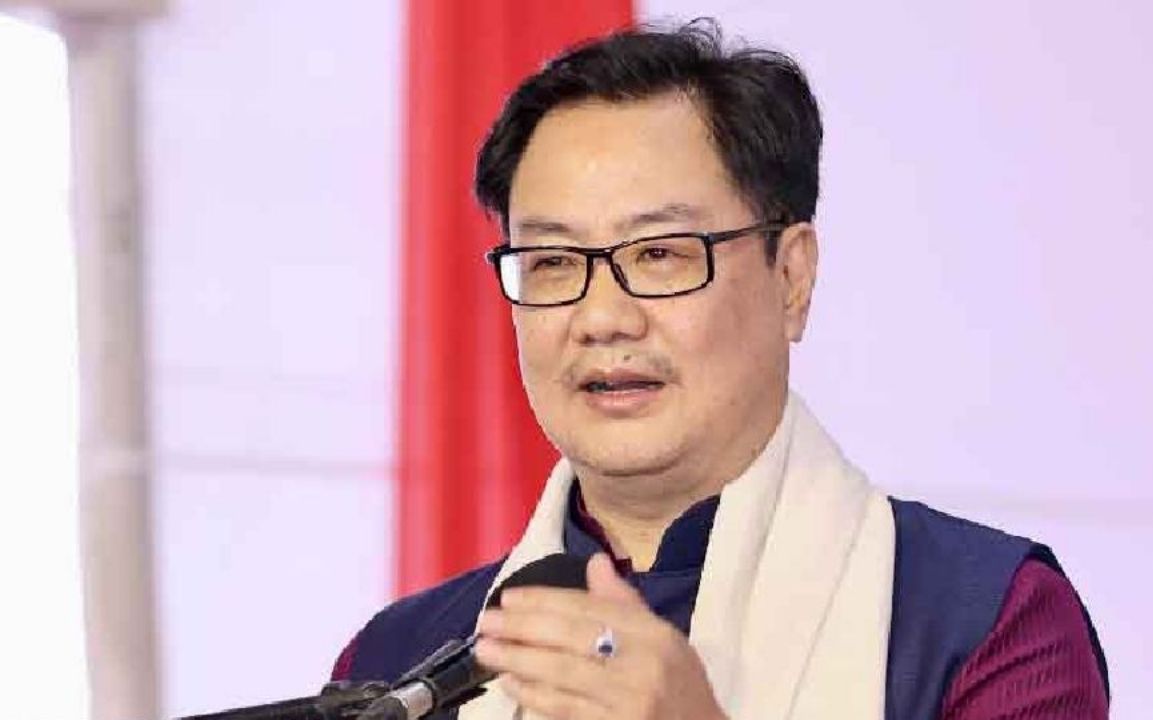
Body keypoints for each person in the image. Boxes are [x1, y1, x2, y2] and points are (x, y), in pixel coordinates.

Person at [333, 21, 1109, 720]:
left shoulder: (986, 620)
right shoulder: (401, 667)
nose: (602, 317)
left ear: (791, 278)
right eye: (554, 262)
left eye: (660, 254)